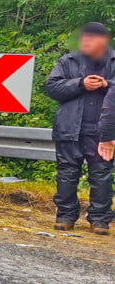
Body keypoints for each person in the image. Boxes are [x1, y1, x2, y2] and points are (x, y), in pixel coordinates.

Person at [46, 22, 115, 234]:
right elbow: (52, 87)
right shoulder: (68, 61)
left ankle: (100, 221)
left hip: (103, 133)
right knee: (66, 173)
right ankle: (65, 217)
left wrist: (107, 84)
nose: (86, 42)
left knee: (102, 175)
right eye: (84, 38)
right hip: (69, 128)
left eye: (92, 38)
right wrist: (80, 84)